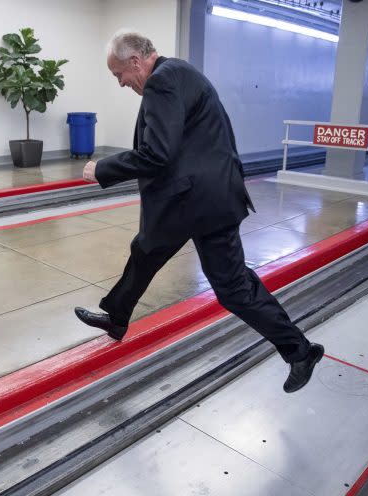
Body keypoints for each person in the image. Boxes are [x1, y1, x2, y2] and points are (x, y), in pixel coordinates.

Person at [74, 31, 323, 393]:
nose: (122, 83)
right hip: (192, 199)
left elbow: (158, 153)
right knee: (146, 249)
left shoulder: (162, 82)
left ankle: (300, 352)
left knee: (233, 287)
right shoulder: (176, 73)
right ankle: (116, 318)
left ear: (135, 61)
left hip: (202, 203)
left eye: (119, 75)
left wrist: (104, 168)